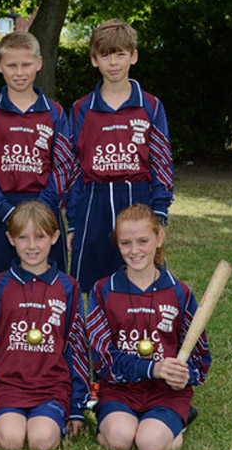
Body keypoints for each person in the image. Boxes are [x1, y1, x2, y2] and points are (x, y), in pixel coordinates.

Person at [86, 203, 211, 450]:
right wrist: (152, 368)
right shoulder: (103, 290)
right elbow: (102, 359)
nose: (135, 251)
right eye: (125, 243)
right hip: (119, 388)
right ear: (117, 244)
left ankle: (180, 416)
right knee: (120, 440)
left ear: (159, 238)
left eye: (143, 241)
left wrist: (185, 375)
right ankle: (113, 418)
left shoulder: (180, 292)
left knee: (150, 446)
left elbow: (200, 357)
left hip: (165, 392)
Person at [66, 19, 174, 293]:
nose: (113, 63)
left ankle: (135, 333)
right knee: (87, 284)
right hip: (94, 201)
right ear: (94, 60)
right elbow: (73, 168)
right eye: (105, 55)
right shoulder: (81, 108)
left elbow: (161, 161)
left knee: (141, 278)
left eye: (120, 54)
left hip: (136, 197)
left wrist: (159, 210)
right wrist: (73, 222)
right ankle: (90, 335)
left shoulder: (150, 105)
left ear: (133, 56)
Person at [0, 201, 90, 450]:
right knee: (10, 441)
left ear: (54, 237)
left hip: (51, 386)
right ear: (10, 238)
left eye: (40, 237)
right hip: (7, 385)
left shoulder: (68, 286)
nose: (31, 246)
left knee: (41, 442)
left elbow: (77, 348)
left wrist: (76, 408)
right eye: (23, 237)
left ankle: (52, 415)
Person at [0, 31, 73, 283]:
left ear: (38, 64)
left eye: (26, 64)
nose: (19, 72)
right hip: (0, 213)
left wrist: (41, 208)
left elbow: (62, 167)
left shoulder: (55, 112)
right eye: (11, 65)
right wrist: (5, 211)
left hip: (44, 210)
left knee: (50, 288)